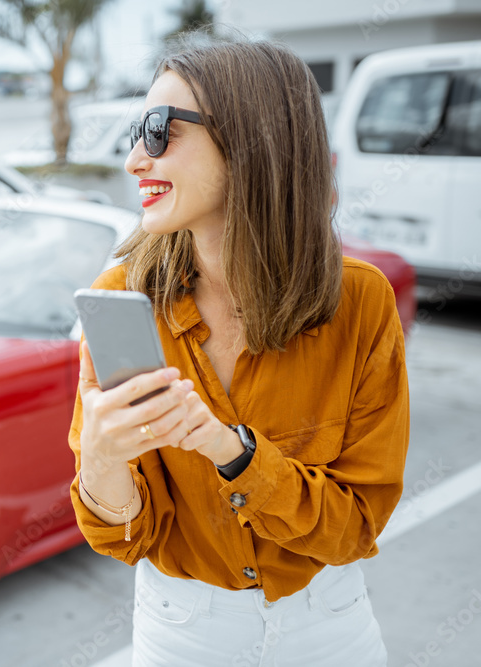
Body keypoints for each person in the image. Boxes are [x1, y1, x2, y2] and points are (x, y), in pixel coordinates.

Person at [68, 31, 408, 667]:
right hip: (180, 627)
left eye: (159, 128)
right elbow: (119, 535)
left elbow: (355, 526)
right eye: (134, 132)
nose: (134, 160)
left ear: (253, 138)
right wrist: (102, 459)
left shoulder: (360, 303)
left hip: (329, 622)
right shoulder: (122, 297)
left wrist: (231, 451)